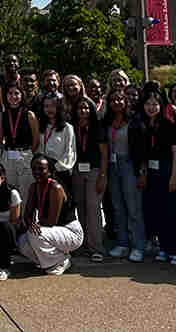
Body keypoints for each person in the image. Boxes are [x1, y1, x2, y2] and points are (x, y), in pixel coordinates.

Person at [135, 89, 176, 265]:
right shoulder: (144, 125)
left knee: (171, 213)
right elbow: (144, 154)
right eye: (147, 104)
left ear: (161, 105)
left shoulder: (169, 124)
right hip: (152, 172)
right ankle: (163, 248)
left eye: (155, 104)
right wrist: (144, 173)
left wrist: (174, 177)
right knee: (157, 212)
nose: (151, 107)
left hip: (167, 170)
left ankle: (175, 250)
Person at [17, 155, 84, 275]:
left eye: (41, 169)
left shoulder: (55, 187)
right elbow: (27, 215)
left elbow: (51, 221)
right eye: (34, 169)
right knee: (22, 242)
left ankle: (60, 261)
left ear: (50, 171)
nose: (37, 172)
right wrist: (30, 223)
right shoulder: (33, 187)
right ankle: (55, 259)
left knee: (34, 234)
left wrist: (34, 225)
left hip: (70, 231)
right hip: (52, 231)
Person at [103, 90, 144, 260]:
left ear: (126, 101)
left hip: (129, 165)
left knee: (133, 208)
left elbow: (142, 150)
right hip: (112, 167)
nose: (117, 102)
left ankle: (138, 246)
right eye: (113, 99)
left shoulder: (134, 122)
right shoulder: (107, 122)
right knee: (118, 207)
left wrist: (142, 172)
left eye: (120, 99)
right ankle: (123, 244)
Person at [71, 97, 108, 261]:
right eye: (80, 108)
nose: (83, 111)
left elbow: (105, 154)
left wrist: (102, 176)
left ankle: (96, 247)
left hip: (94, 171)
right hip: (77, 171)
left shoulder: (97, 127)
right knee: (81, 209)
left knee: (93, 209)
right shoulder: (72, 127)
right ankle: (84, 244)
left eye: (86, 108)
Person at [0, 82, 38, 194]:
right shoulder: (2, 115)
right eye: (10, 93)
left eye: (17, 93)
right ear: (6, 96)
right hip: (8, 156)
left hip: (25, 156)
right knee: (10, 192)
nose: (13, 96)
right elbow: (0, 139)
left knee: (26, 192)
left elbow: (36, 139)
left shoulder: (29, 114)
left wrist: (28, 153)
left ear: (22, 95)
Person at [36, 92, 75, 192]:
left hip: (60, 173)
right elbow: (38, 148)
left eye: (53, 106)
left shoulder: (67, 128)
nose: (49, 109)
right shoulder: (40, 127)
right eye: (46, 106)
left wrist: (55, 168)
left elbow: (69, 153)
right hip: (42, 173)